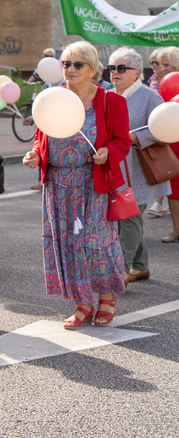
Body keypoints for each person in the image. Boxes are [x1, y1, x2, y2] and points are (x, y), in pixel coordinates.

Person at [23, 41, 130, 329]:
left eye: (77, 64)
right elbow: (41, 136)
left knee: (96, 242)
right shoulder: (52, 98)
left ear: (93, 70)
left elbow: (123, 141)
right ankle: (82, 302)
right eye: (65, 64)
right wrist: (35, 153)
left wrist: (108, 151)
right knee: (68, 243)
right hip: (58, 184)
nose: (70, 69)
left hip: (92, 183)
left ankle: (106, 296)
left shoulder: (111, 101)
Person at [107, 48, 169, 282]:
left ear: (136, 73)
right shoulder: (107, 94)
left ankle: (121, 270)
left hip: (139, 168)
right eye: (112, 68)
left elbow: (163, 128)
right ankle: (141, 266)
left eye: (122, 68)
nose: (115, 73)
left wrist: (133, 137)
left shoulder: (149, 96)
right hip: (115, 167)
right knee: (130, 215)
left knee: (129, 216)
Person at [146, 46, 179, 228]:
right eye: (160, 64)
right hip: (170, 141)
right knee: (174, 190)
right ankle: (176, 230)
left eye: (168, 64)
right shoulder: (157, 85)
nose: (163, 68)